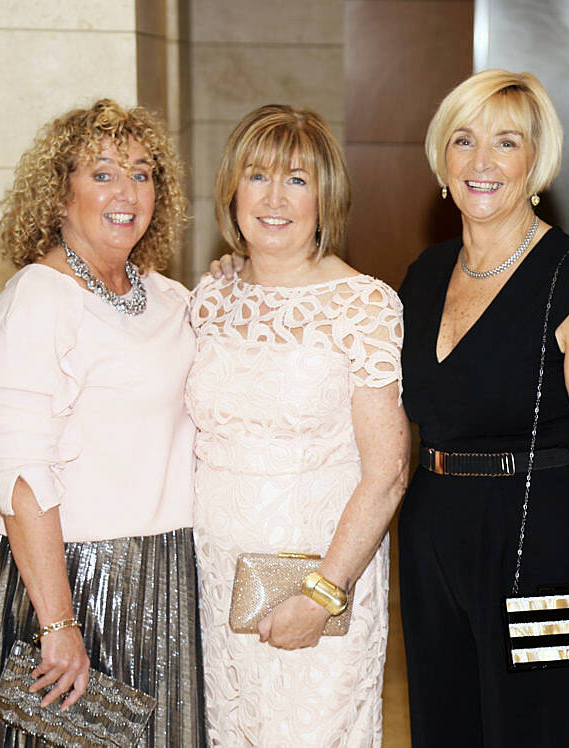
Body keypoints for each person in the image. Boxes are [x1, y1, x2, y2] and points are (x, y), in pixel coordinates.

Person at [395, 69, 569, 746]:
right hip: (434, 544)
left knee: (546, 731)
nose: (481, 162)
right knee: (446, 729)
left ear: (536, 162)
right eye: (464, 140)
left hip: (548, 546)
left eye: (506, 143)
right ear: (441, 160)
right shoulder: (425, 274)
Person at [0, 100, 205, 745]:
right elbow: (20, 473)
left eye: (142, 172)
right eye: (102, 173)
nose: (127, 192)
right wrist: (56, 622)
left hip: (164, 574)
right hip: (69, 579)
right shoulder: (38, 299)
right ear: (60, 192)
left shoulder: (168, 297)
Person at [189, 105, 410, 745]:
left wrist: (322, 594)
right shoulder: (213, 295)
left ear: (326, 198)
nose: (274, 197)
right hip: (215, 575)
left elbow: (388, 472)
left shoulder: (361, 304)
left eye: (297, 180)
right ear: (232, 191)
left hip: (317, 571)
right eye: (258, 176)